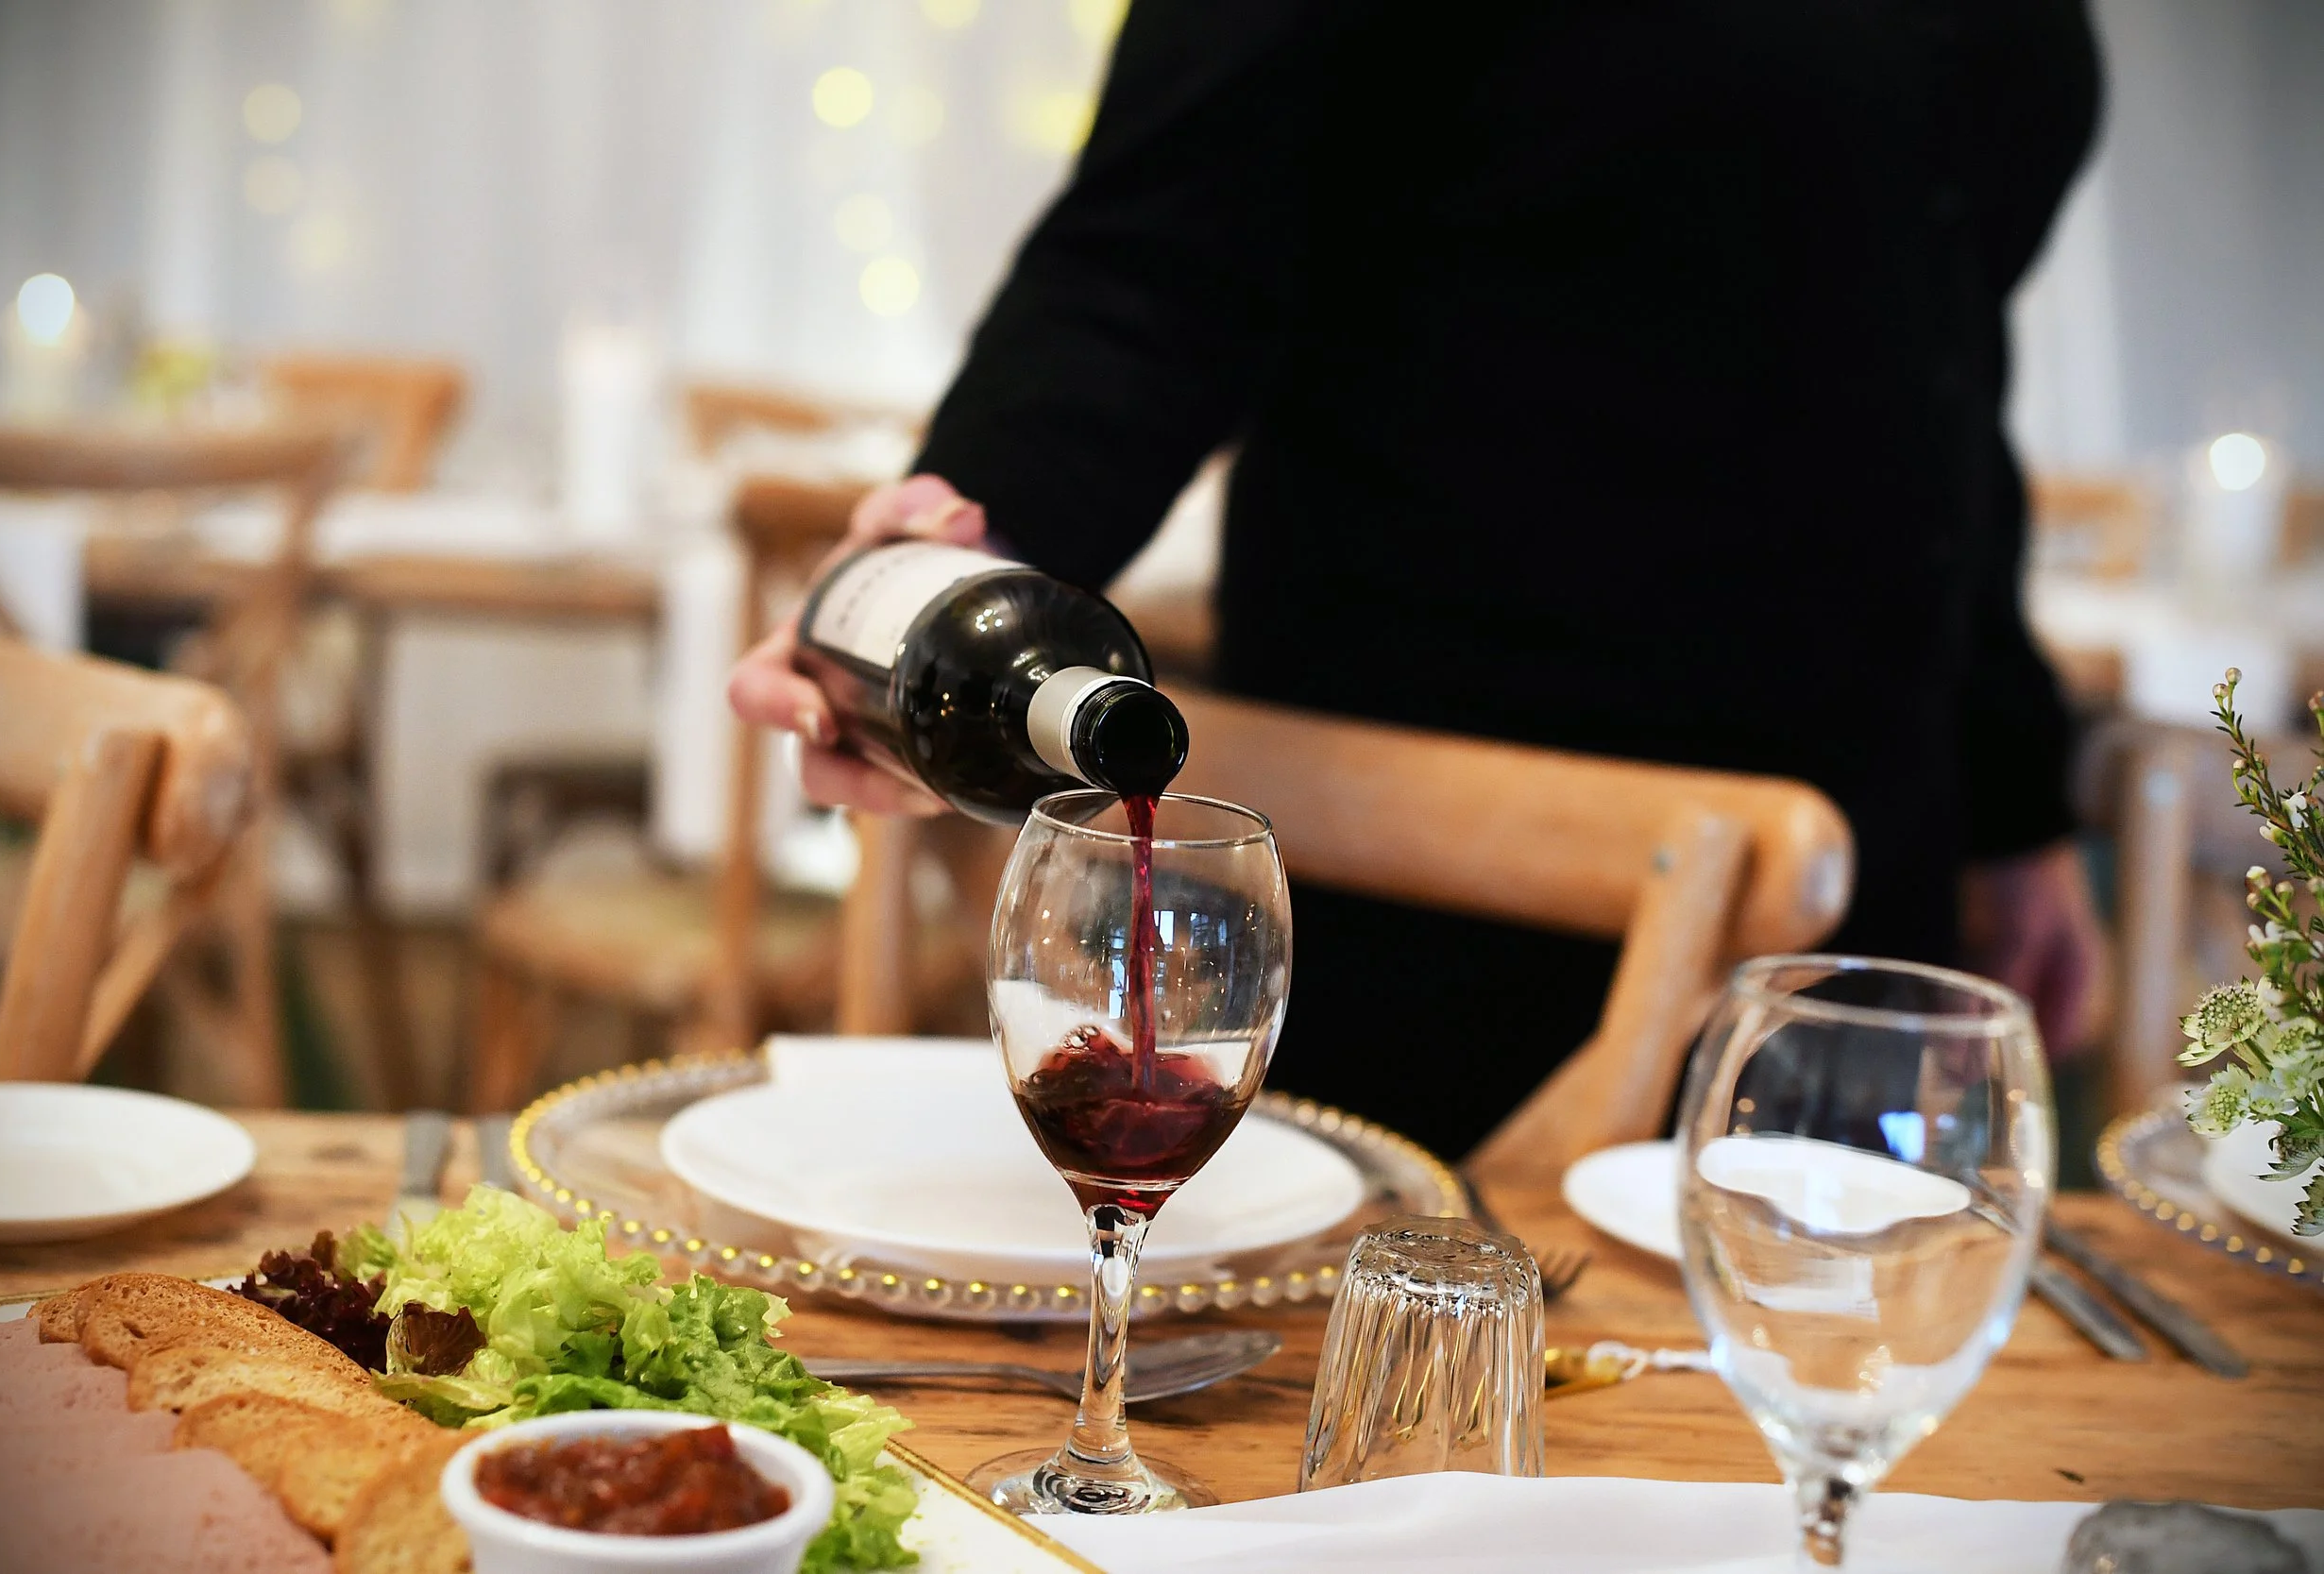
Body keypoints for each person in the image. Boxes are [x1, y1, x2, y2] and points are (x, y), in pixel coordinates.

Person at [733, 0, 2109, 1160]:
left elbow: (1933, 353)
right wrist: (959, 558)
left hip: (1867, 869)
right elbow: (1150, 271)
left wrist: (2010, 795)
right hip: (1464, 879)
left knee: (1822, 1429)